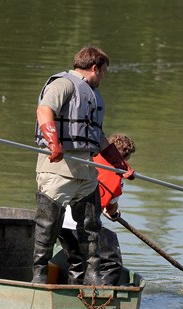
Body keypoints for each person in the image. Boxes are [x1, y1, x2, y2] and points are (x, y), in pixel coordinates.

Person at [32, 46, 135, 285]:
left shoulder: (91, 94)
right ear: (94, 67)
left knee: (91, 225)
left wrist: (121, 167)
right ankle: (39, 276)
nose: (103, 77)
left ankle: (93, 275)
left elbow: (98, 137)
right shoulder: (64, 83)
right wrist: (53, 141)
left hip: (85, 169)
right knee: (48, 225)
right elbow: (44, 110)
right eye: (104, 71)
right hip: (58, 167)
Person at [59, 133, 136, 285]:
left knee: (76, 264)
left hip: (62, 223)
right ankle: (103, 297)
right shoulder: (118, 175)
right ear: (124, 158)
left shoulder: (87, 159)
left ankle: (74, 295)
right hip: (83, 227)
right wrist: (114, 213)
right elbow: (112, 208)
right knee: (112, 262)